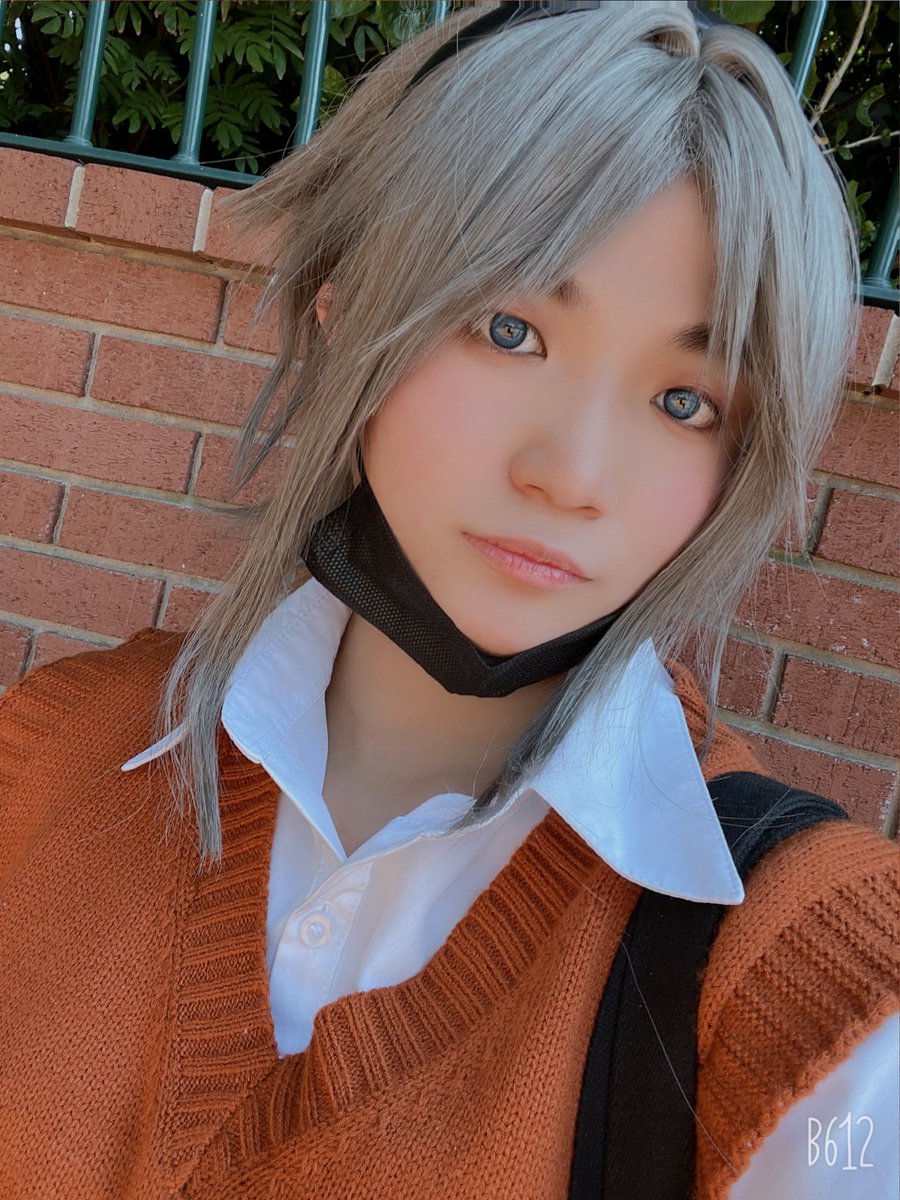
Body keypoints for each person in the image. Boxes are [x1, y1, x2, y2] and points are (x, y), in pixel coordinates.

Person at [0, 2, 896, 1198]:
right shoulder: (55, 748)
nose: (571, 476)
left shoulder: (804, 990)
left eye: (685, 403)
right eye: (509, 329)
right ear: (343, 311)